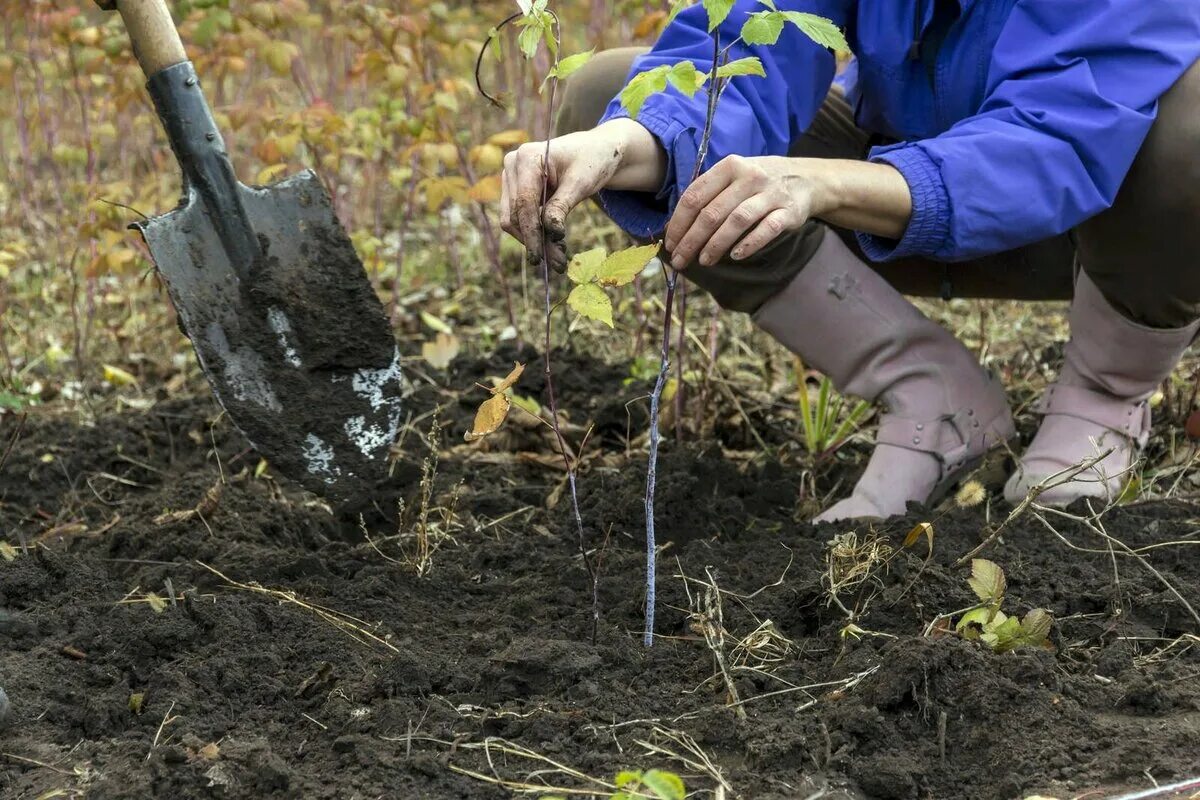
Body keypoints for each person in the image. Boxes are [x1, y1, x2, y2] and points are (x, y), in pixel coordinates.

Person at [497, 2, 1200, 522]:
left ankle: (1102, 399)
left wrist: (825, 185)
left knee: (1192, 121)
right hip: (892, 195)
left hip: (1089, 220)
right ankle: (930, 390)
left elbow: (1055, 144)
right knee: (612, 96)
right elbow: (756, 39)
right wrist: (625, 143)